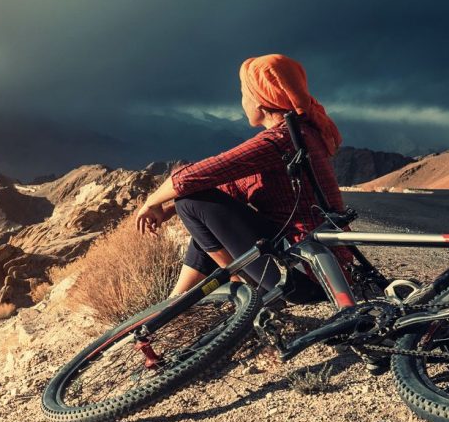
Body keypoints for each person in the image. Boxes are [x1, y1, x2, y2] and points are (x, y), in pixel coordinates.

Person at [134, 53, 348, 299]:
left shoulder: (280, 140)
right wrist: (167, 210)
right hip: (322, 270)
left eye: (243, 94)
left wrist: (152, 202)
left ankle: (243, 285)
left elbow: (189, 178)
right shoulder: (301, 134)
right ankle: (174, 304)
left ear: (260, 100)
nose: (242, 102)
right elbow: (229, 189)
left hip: (304, 276)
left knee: (191, 203)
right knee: (203, 216)